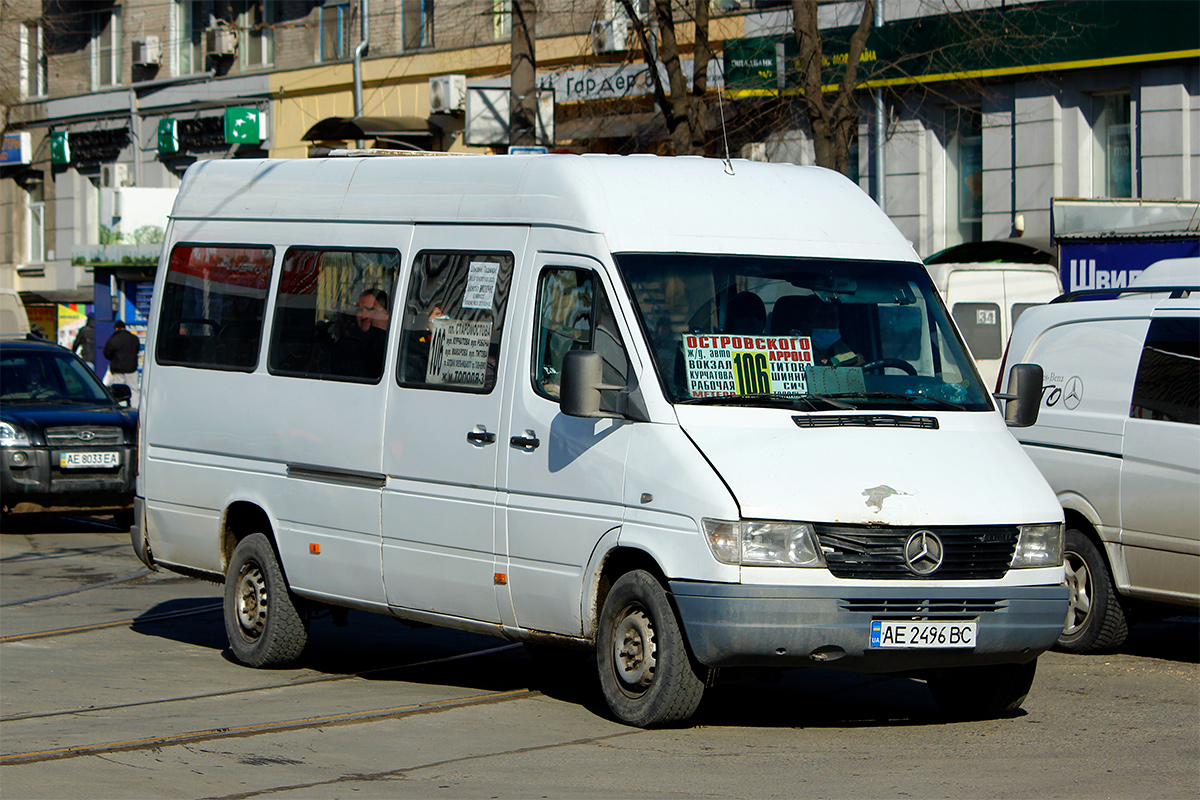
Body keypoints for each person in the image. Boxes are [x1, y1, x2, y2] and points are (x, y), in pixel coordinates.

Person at [333, 288, 390, 378]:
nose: (363, 316)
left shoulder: (398, 343)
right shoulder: (348, 346)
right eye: (359, 311)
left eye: (370, 309)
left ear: (385, 314)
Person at [808, 301, 863, 367]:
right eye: (820, 316)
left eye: (832, 316)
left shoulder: (854, 360)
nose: (828, 322)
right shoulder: (795, 359)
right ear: (807, 323)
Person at [103, 320, 141, 405]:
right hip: (131, 368)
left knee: (119, 390)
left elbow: (107, 353)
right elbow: (137, 350)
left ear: (116, 328)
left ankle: (122, 406)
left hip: (118, 368)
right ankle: (135, 407)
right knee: (133, 389)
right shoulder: (133, 338)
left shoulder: (113, 339)